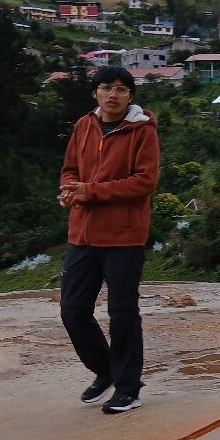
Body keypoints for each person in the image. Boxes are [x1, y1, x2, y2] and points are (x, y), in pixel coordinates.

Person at [58, 66, 159, 414]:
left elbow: (144, 182)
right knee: (72, 311)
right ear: (95, 93)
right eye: (105, 88)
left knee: (122, 314)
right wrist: (70, 189)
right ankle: (106, 370)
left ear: (130, 95)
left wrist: (92, 191)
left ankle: (128, 388)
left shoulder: (142, 130)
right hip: (83, 234)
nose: (112, 95)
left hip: (123, 237)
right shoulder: (84, 126)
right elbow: (70, 169)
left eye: (120, 89)